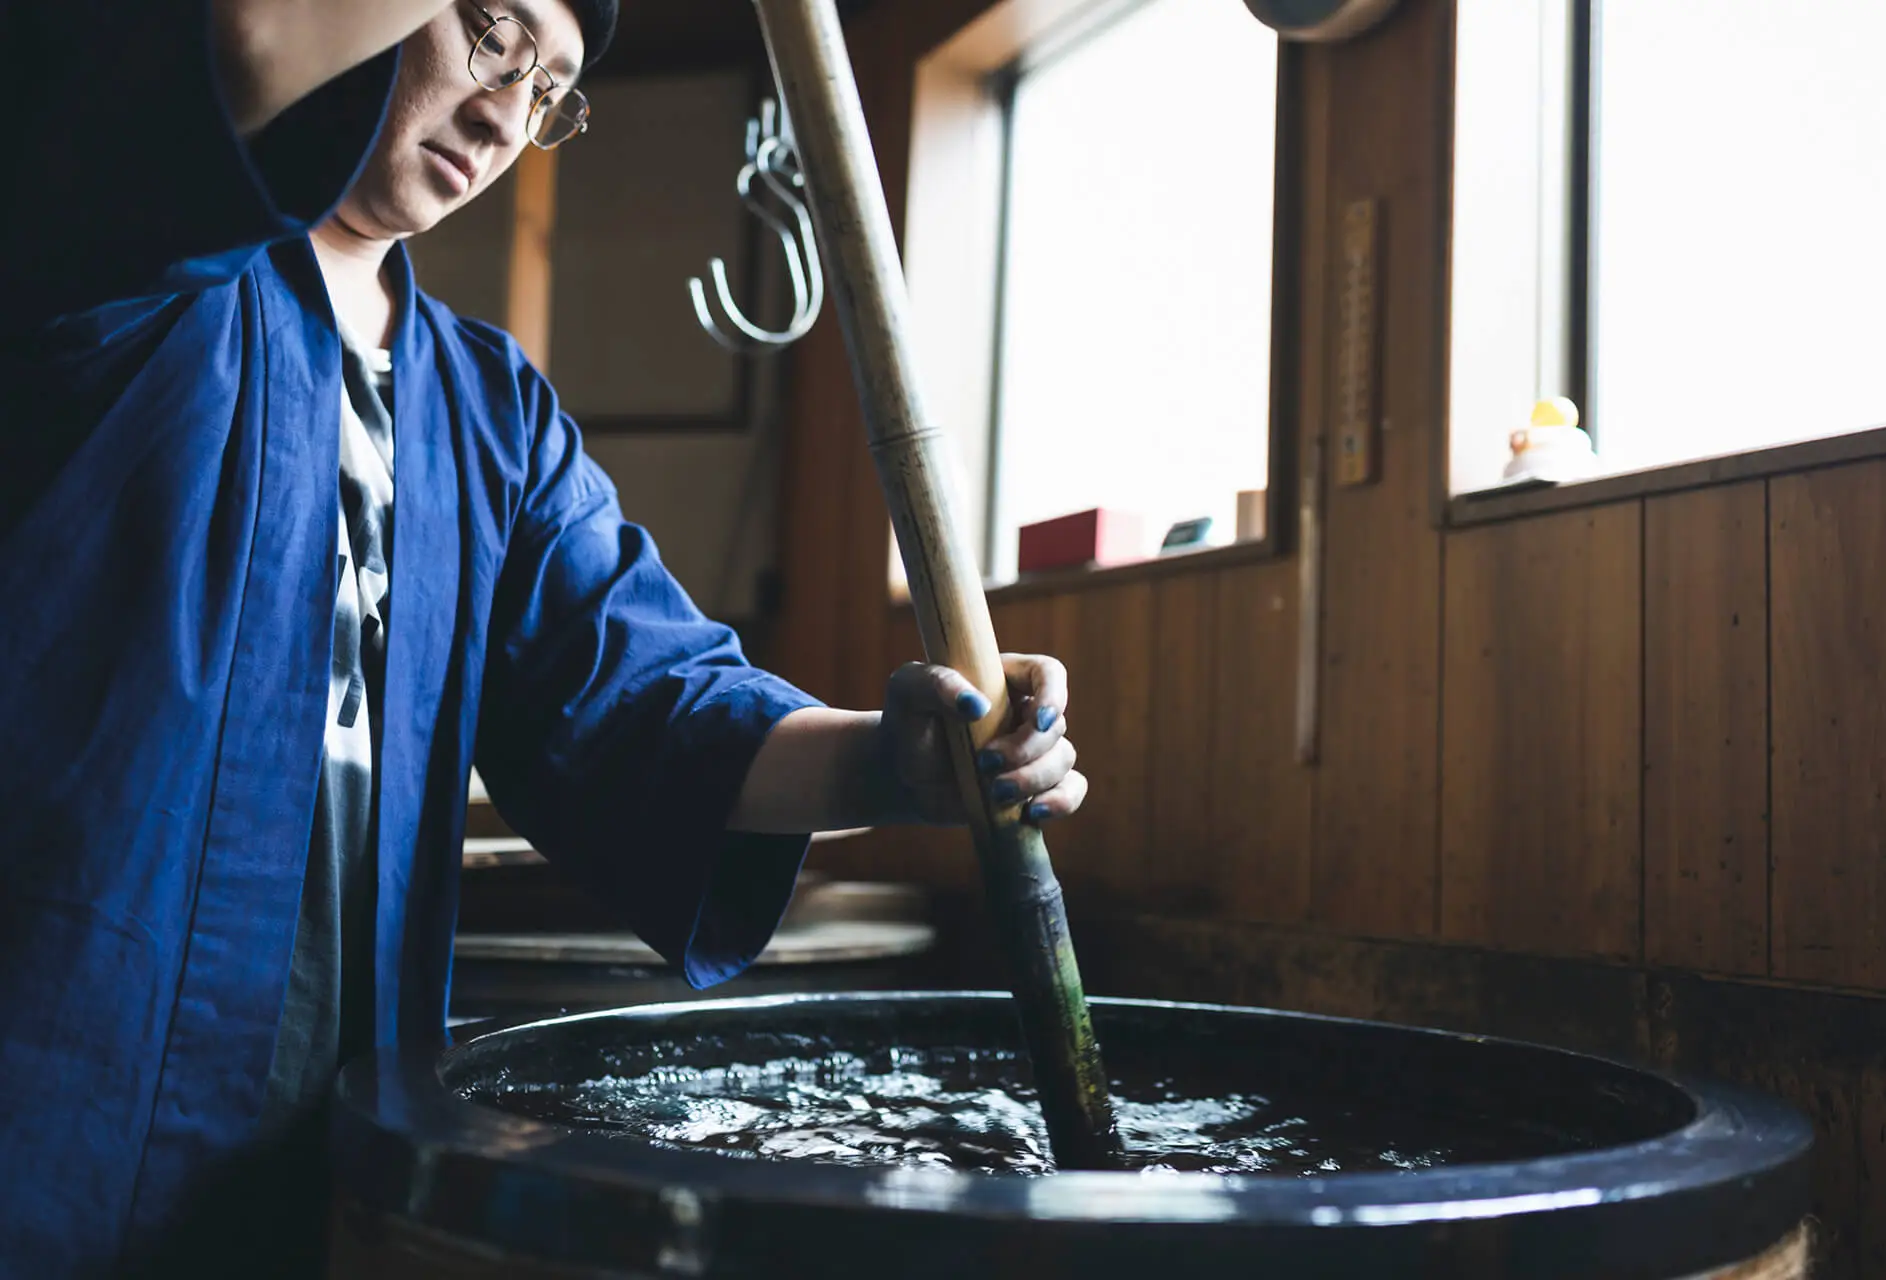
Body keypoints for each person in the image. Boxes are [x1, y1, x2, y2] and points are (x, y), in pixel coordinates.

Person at [0, 1, 1087, 1273]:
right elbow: (235, 52)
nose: (505, 112)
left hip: (323, 1127)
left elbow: (650, 700)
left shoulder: (491, 406)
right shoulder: (125, 248)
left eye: (551, 90)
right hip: (52, 1076)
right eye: (492, 36)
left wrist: (900, 762)